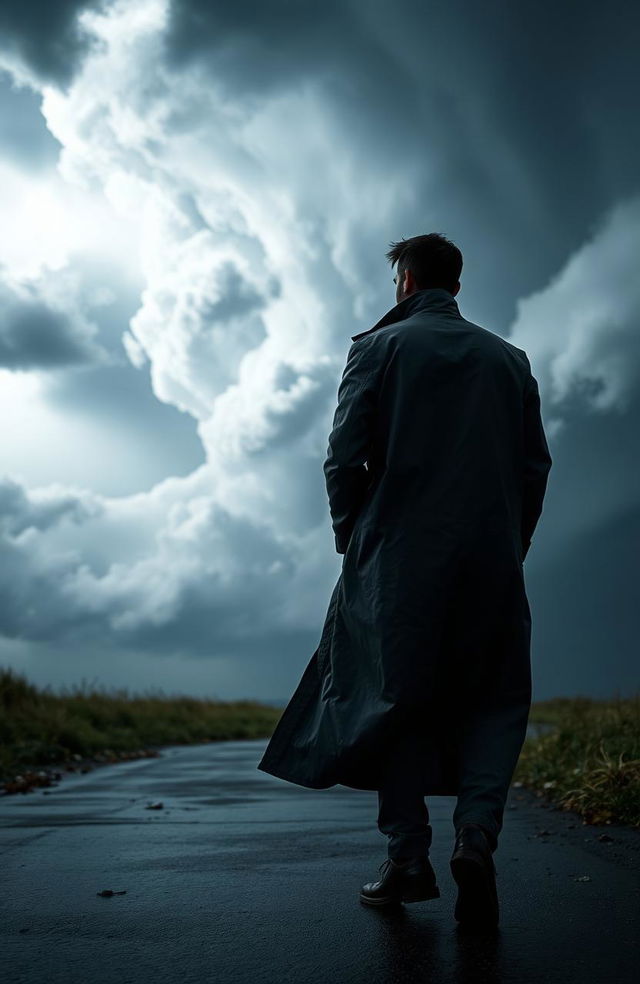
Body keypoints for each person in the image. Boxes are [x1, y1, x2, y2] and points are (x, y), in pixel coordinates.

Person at [257, 233, 553, 927]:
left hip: (395, 559)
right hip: (491, 558)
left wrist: (350, 535)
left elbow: (343, 458)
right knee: (493, 698)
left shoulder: (378, 349)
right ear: (455, 282)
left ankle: (408, 857)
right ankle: (476, 840)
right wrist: (511, 543)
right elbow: (534, 469)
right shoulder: (510, 362)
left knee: (392, 700)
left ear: (407, 281)